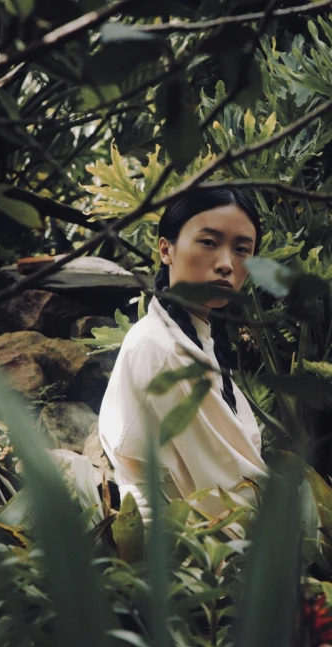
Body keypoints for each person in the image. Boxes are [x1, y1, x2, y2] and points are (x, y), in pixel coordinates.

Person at [98, 187, 268, 523]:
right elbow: (231, 486)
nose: (225, 264)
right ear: (166, 249)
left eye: (242, 250)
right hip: (185, 553)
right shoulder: (164, 351)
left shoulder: (193, 339)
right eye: (208, 242)